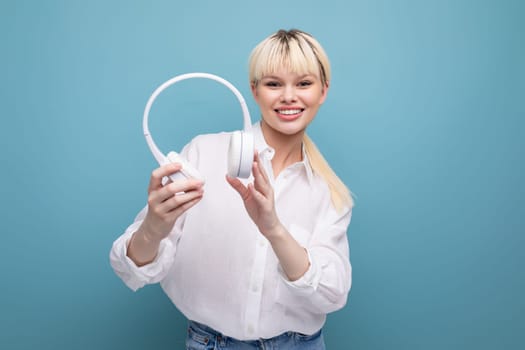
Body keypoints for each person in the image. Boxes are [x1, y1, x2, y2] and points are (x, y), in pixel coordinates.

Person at [110, 28, 354, 349]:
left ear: (323, 90)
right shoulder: (202, 155)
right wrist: (154, 227)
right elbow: (131, 271)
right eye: (273, 84)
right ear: (254, 91)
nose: (289, 96)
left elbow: (331, 295)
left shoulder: (328, 191)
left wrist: (274, 229)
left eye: (304, 83)